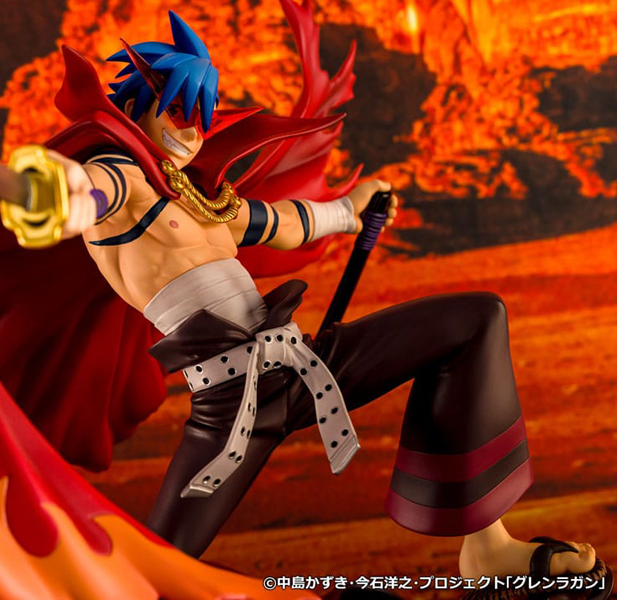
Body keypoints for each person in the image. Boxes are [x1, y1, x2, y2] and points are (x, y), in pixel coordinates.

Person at [42, 8, 609, 597]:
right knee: (153, 569)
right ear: (138, 107)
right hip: (234, 402)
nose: (192, 133)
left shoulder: (193, 196)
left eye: (202, 119)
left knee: (476, 320)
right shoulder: (121, 180)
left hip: (302, 363)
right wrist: (56, 188)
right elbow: (90, 191)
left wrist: (348, 210)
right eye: (179, 112)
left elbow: (282, 222)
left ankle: (487, 548)